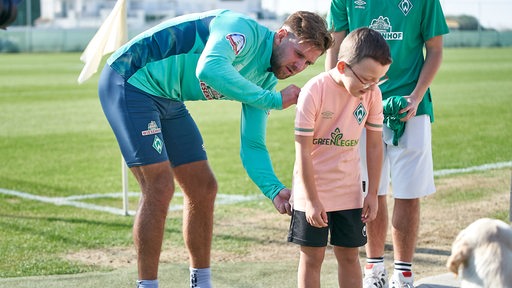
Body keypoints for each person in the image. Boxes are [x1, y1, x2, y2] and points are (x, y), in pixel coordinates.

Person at [98, 9, 333, 288]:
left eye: (308, 63)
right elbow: (208, 68)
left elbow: (253, 145)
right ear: (281, 36)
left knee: (203, 187)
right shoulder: (241, 30)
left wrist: (273, 189)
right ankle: (147, 285)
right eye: (298, 55)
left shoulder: (267, 80)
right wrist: (271, 100)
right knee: (159, 187)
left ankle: (201, 282)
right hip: (130, 79)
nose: (299, 67)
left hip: (167, 96)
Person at [325, 1, 449, 287]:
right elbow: (335, 46)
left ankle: (403, 273)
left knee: (408, 190)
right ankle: (374, 270)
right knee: (370, 189)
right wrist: (336, 97)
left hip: (410, 105)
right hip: (360, 101)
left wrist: (417, 96)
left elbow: (436, 49)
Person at [288, 27, 391, 288]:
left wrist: (372, 194)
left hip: (349, 190)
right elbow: (302, 150)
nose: (371, 87)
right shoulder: (314, 90)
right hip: (312, 191)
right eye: (366, 79)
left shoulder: (372, 94)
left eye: (377, 81)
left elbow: (375, 146)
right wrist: (311, 200)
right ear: (343, 66)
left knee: (349, 256)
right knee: (312, 258)